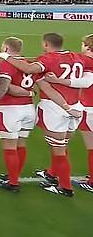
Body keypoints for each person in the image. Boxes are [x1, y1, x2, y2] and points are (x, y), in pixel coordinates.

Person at [1, 32, 85, 197]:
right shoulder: (76, 58)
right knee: (61, 145)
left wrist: (6, 56)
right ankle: (52, 174)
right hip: (76, 105)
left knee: (58, 148)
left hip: (57, 107)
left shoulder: (49, 59)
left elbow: (29, 69)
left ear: (46, 44)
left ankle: (65, 187)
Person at [38, 34, 93, 193]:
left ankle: (69, 185)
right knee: (62, 144)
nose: (81, 47)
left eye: (84, 44)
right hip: (80, 107)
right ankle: (52, 173)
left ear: (88, 47)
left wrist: (58, 81)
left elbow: (86, 82)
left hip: (85, 108)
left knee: (65, 145)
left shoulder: (85, 61)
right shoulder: (82, 61)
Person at [0, 37, 36, 192]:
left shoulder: (6, 64)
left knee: (10, 148)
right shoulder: (27, 63)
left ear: (6, 49)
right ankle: (14, 175)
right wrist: (30, 92)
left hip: (10, 109)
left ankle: (13, 183)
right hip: (28, 108)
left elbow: (5, 88)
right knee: (21, 144)